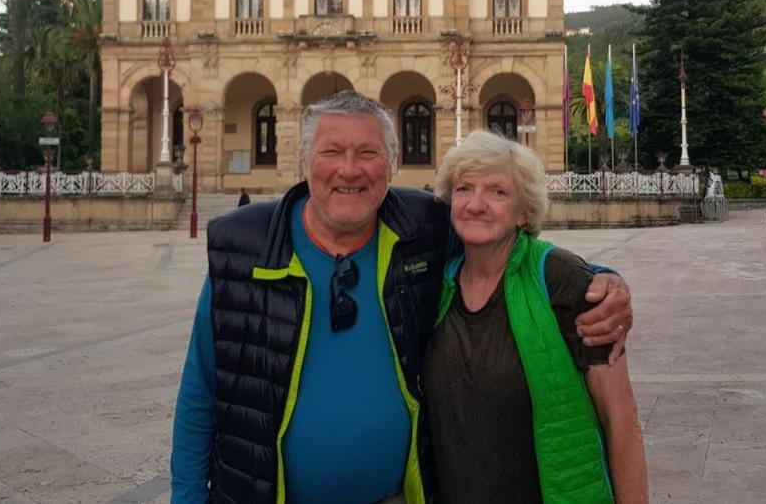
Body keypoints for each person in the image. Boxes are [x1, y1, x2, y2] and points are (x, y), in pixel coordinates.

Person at [171, 92, 634, 504]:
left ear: (390, 165)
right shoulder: (246, 252)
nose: (349, 169)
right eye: (332, 151)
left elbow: (507, 248)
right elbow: (199, 396)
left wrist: (601, 278)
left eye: (368, 152)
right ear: (305, 160)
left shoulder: (422, 233)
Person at [423, 130, 647, 504]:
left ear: (524, 212)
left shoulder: (565, 280)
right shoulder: (435, 285)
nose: (476, 204)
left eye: (498, 192)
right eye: (464, 188)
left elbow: (622, 422)